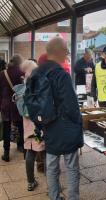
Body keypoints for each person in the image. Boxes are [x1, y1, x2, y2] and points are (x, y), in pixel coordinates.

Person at [37, 37, 83, 200]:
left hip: (49, 127)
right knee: (71, 166)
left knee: (51, 166)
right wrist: (78, 122)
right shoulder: (61, 75)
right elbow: (71, 105)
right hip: (66, 128)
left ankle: (54, 197)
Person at [20, 60, 45, 191]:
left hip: (27, 126)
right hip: (37, 126)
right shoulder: (37, 86)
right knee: (44, 152)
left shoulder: (23, 86)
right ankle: (51, 185)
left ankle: (30, 182)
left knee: (30, 151)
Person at [0, 55, 24, 162]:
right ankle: (21, 146)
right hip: (18, 103)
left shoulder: (2, 74)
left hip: (5, 104)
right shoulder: (21, 73)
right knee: (20, 125)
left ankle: (6, 153)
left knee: (6, 127)